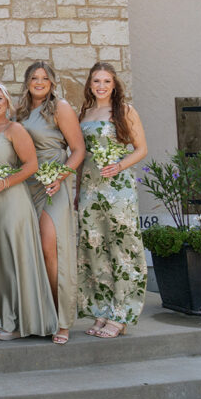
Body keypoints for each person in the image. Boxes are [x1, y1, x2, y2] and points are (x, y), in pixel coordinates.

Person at [0, 83, 58, 341]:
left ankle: (18, 323)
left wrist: (4, 182)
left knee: (13, 259)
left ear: (8, 102)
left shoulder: (15, 129)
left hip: (12, 200)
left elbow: (31, 165)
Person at [16, 61, 86, 345]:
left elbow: (79, 149)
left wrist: (61, 176)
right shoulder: (20, 113)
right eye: (34, 77)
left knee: (51, 248)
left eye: (44, 78)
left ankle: (62, 319)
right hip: (28, 184)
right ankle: (41, 315)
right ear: (27, 82)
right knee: (34, 252)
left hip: (55, 180)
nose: (39, 82)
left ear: (52, 82)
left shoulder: (61, 108)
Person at [77, 62, 148, 339]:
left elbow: (141, 149)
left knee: (122, 249)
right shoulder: (84, 113)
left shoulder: (125, 111)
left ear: (115, 84)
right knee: (95, 251)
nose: (102, 86)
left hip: (119, 190)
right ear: (90, 85)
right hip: (90, 191)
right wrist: (76, 195)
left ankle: (122, 313)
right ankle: (103, 311)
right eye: (97, 81)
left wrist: (119, 166)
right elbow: (81, 156)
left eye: (106, 81)